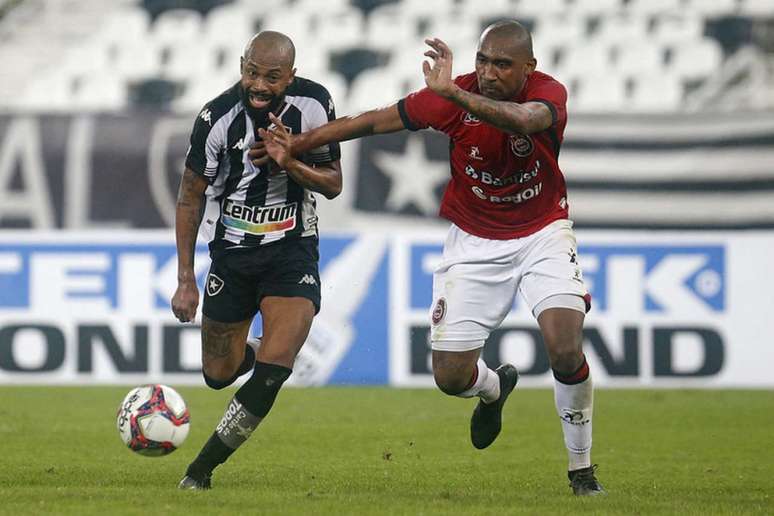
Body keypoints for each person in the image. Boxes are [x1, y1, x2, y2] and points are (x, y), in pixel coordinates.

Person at [251, 20, 604, 496]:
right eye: (482, 61)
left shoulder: (546, 93)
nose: (489, 72)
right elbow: (371, 121)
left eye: (502, 64)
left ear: (529, 67)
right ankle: (493, 389)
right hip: (473, 243)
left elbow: (522, 121)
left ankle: (581, 470)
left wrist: (454, 98)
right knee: (450, 376)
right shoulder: (452, 95)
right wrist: (298, 143)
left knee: (564, 347)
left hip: (542, 233)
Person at [171, 30, 342, 490]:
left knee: (275, 367)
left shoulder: (314, 104)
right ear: (240, 64)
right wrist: (186, 278)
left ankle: (200, 470)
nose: (260, 85)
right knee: (217, 374)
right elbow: (190, 198)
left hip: (292, 252)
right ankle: (249, 350)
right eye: (252, 72)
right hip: (232, 256)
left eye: (272, 76)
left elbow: (332, 183)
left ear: (292, 75)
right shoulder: (215, 117)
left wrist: (291, 163)